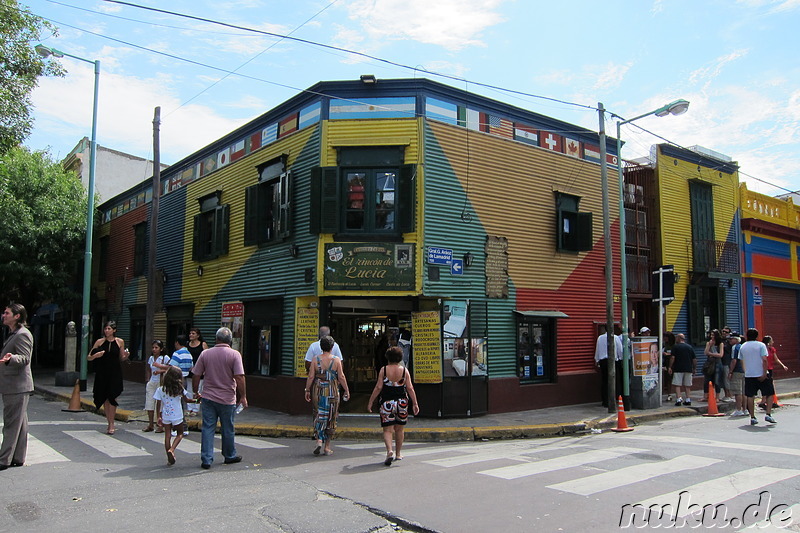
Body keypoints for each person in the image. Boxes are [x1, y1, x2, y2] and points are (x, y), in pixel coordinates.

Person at [192, 327, 247, 469]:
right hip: (227, 399)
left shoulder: (206, 354)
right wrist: (243, 396)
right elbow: (239, 377)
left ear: (216, 339)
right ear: (230, 341)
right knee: (227, 428)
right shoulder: (235, 355)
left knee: (208, 428)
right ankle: (229, 455)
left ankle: (206, 459)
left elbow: (196, 374)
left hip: (208, 397)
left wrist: (196, 392)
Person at [368, 346, 419, 466]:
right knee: (399, 429)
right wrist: (415, 403)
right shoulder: (404, 371)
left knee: (387, 430)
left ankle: (389, 451)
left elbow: (378, 387)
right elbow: (410, 388)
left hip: (387, 403)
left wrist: (371, 401)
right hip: (402, 402)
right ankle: (398, 453)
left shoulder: (384, 370)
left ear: (387, 357)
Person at [0, 304, 34, 470]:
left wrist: (10, 358)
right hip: (15, 386)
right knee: (19, 424)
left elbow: (25, 358)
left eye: (7, 313)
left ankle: (4, 459)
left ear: (17, 316)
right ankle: (18, 457)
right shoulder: (13, 334)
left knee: (11, 424)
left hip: (16, 386)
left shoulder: (22, 335)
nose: (3, 315)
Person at [304, 335, 350, 456]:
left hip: (318, 390)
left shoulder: (315, 359)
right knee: (331, 416)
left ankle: (319, 439)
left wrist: (307, 390)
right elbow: (341, 376)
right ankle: (327, 447)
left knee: (319, 414)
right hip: (332, 391)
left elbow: (310, 376)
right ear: (332, 347)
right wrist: (346, 390)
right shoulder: (336, 360)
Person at [89, 320, 129, 435]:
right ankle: (109, 421)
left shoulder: (120, 341)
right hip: (102, 372)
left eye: (109, 329)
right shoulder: (99, 342)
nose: (107, 331)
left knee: (113, 397)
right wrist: (96, 355)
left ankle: (112, 423)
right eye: (105, 329)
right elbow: (89, 357)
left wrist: (126, 356)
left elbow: (121, 358)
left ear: (114, 330)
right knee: (105, 398)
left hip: (115, 372)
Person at [154, 366, 193, 465]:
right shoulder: (179, 388)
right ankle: (172, 449)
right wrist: (196, 400)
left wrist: (158, 416)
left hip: (166, 415)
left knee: (167, 436)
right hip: (177, 415)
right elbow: (187, 400)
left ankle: (169, 458)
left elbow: (158, 403)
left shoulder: (160, 389)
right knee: (180, 433)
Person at [741, 328, 776, 425]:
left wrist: (746, 371)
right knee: (769, 393)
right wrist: (764, 373)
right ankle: (768, 414)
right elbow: (764, 360)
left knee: (750, 396)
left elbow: (741, 360)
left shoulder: (743, 346)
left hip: (749, 375)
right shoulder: (761, 345)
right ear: (757, 336)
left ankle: (752, 416)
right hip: (761, 373)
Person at [169, 335, 193, 435]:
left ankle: (177, 427)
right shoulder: (189, 354)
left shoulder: (177, 354)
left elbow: (171, 367)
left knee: (176, 403)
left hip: (176, 379)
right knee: (182, 402)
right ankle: (184, 427)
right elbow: (191, 367)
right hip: (185, 379)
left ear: (177, 343)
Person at [143, 340, 169, 432]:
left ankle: (160, 424)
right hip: (152, 382)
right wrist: (148, 379)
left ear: (161, 349)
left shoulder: (165, 358)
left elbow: (170, 368)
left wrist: (159, 369)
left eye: (156, 347)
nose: (154, 349)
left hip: (161, 382)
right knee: (150, 402)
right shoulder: (151, 358)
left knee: (160, 404)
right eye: (153, 347)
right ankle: (150, 424)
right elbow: (149, 369)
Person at [594, 327, 623, 408]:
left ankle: (605, 401)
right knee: (615, 380)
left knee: (605, 381)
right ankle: (614, 399)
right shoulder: (615, 337)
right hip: (613, 360)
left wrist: (597, 359)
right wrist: (621, 358)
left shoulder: (600, 338)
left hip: (603, 361)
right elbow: (620, 350)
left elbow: (597, 349)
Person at [759, 335, 788, 409]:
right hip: (763, 368)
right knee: (766, 385)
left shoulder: (772, 349)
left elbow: (776, 359)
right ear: (768, 342)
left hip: (770, 369)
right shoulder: (762, 349)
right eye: (771, 340)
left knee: (769, 384)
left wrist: (783, 365)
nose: (773, 342)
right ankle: (764, 401)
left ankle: (768, 401)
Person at [668, 333, 696, 406]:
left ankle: (679, 398)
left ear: (679, 338)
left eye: (676, 338)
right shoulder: (690, 347)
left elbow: (672, 357)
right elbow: (694, 359)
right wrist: (694, 368)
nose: (676, 339)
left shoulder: (675, 347)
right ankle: (688, 399)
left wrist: (670, 367)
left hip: (678, 368)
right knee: (687, 385)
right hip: (688, 368)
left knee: (677, 384)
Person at [186, 328, 208, 416]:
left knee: (198, 390)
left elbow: (207, 358)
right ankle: (189, 408)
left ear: (198, 335)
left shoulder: (203, 344)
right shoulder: (187, 345)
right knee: (189, 390)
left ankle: (196, 409)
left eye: (193, 333)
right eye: (190, 333)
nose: (191, 335)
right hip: (189, 370)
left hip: (200, 371)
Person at [728, 333, 747, 416]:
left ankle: (738, 409)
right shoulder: (743, 347)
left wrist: (730, 371)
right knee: (744, 392)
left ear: (736, 339)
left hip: (737, 371)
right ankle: (745, 409)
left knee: (737, 392)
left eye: (731, 339)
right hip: (744, 371)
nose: (730, 341)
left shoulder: (735, 347)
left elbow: (734, 360)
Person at [702, 329, 724, 402]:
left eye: (713, 335)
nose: (712, 337)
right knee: (707, 380)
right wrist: (709, 346)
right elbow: (705, 352)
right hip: (710, 362)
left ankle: (717, 396)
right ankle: (706, 396)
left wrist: (711, 354)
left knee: (717, 380)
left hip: (717, 363)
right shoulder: (709, 343)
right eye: (711, 335)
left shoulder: (720, 344)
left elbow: (720, 355)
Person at [718, 327, 735, 402]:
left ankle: (729, 394)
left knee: (727, 379)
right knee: (723, 379)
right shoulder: (720, 341)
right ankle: (726, 394)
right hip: (721, 362)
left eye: (726, 332)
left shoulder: (729, 342)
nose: (724, 333)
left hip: (727, 362)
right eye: (723, 331)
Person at [663, 332, 676, 399]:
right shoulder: (664, 344)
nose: (664, 338)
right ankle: (669, 393)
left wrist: (668, 354)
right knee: (668, 379)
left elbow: (674, 355)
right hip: (666, 362)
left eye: (666, 337)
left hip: (674, 363)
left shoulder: (674, 345)